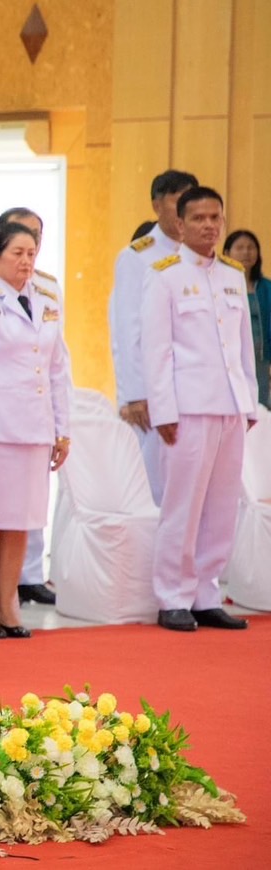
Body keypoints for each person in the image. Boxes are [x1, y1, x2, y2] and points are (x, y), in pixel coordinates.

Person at [143, 186, 257, 633]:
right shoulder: (165, 275)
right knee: (183, 504)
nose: (209, 225)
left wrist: (247, 400)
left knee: (222, 504)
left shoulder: (231, 274)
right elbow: (157, 351)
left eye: (216, 218)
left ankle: (207, 592)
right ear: (180, 225)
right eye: (200, 218)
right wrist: (163, 411)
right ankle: (172, 595)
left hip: (230, 406)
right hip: (187, 408)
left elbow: (243, 345)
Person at [0, 221, 72, 638]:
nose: (26, 262)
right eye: (16, 254)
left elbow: (58, 369)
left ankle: (9, 602)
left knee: (21, 520)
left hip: (34, 426)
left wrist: (63, 428)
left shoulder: (45, 299)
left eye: (31, 253)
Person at [110, 169, 199, 504]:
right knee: (157, 495)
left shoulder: (197, 255)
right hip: (152, 397)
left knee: (192, 493)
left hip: (194, 392)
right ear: (157, 204)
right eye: (177, 200)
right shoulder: (137, 256)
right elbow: (127, 329)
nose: (183, 210)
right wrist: (133, 395)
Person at [223, 230, 270, 408]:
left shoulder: (266, 288)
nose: (246, 252)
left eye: (251, 248)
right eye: (240, 247)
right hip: (229, 360)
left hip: (260, 359)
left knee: (259, 407)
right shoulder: (220, 284)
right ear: (227, 253)